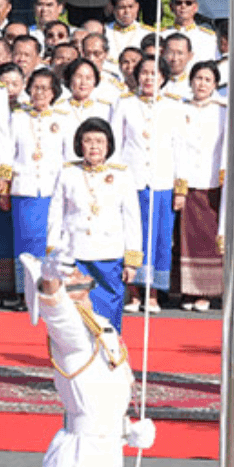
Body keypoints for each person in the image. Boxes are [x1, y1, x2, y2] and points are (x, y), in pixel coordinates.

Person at [19, 252, 156, 467]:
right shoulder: (72, 337)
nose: (77, 273)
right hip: (80, 463)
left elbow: (103, 397)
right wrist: (49, 282)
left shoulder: (99, 325)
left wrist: (127, 429)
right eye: (69, 274)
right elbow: (56, 310)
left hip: (102, 458)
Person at [46, 117, 141, 330]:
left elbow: (132, 218)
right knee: (74, 312)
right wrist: (54, 251)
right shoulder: (67, 172)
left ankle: (108, 355)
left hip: (108, 254)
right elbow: (55, 213)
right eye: (88, 141)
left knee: (107, 311)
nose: (94, 146)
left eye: (100, 141)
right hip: (75, 253)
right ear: (80, 144)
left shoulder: (122, 174)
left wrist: (132, 260)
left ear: (109, 145)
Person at [109, 56, 186, 312]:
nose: (148, 78)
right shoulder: (124, 103)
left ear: (163, 77)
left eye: (154, 74)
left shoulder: (173, 107)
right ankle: (133, 293)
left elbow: (180, 148)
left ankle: (152, 293)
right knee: (132, 235)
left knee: (159, 237)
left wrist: (180, 188)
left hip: (161, 181)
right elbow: (115, 144)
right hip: (132, 180)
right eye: (144, 73)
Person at [1, 70, 74, 308]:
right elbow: (7, 152)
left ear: (54, 92)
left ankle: (47, 294)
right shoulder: (19, 117)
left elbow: (70, 157)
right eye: (35, 87)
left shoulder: (64, 118)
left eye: (45, 88)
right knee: (25, 244)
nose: (40, 92)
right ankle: (26, 294)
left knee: (49, 243)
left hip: (53, 190)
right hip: (25, 189)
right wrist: (3, 184)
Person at [174, 61, 226, 310]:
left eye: (207, 79)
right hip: (186, 182)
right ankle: (188, 291)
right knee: (186, 238)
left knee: (209, 237)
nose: (202, 84)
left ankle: (206, 291)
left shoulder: (223, 110)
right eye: (198, 78)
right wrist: (179, 184)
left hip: (212, 180)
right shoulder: (179, 108)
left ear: (215, 84)